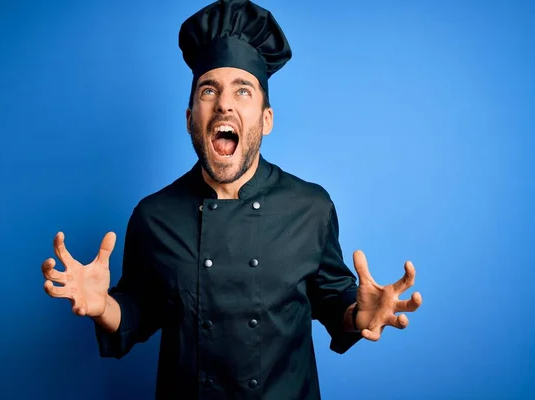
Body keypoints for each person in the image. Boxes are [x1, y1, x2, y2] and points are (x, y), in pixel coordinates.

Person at [41, 0, 422, 398]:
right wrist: (102, 305)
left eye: (243, 90)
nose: (224, 103)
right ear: (191, 118)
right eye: (210, 90)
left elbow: (335, 304)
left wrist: (359, 313)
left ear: (266, 119)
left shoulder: (311, 208)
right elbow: (136, 313)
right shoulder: (155, 216)